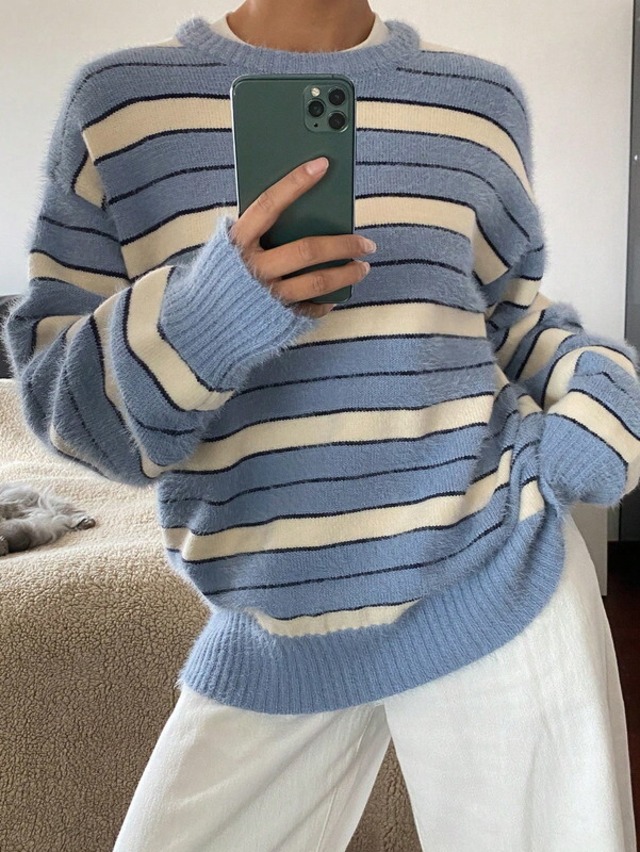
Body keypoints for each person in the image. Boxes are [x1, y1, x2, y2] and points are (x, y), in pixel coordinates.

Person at [4, 1, 639, 849]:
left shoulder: (480, 101)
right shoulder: (117, 106)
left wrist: (602, 392)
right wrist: (210, 313)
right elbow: (63, 406)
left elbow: (509, 319)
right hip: (270, 613)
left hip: (495, 571)